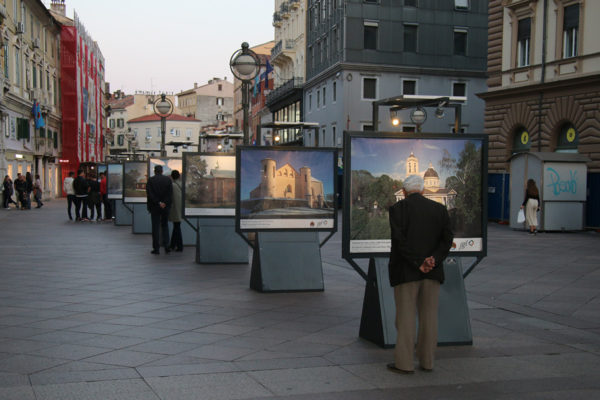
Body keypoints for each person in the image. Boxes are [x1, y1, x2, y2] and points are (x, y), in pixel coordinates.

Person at [387, 175, 454, 374]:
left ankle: (405, 364)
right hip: (432, 272)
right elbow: (447, 239)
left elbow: (400, 242)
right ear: (423, 190)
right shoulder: (439, 209)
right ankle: (427, 361)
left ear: (405, 191)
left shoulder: (397, 209)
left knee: (406, 319)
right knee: (429, 318)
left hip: (407, 272)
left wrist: (418, 262)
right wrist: (433, 259)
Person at [146, 165, 172, 254]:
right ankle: (167, 246)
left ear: (154, 171)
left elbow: (150, 194)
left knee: (155, 227)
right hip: (165, 207)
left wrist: (158, 202)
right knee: (165, 226)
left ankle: (156, 248)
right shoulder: (168, 180)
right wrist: (164, 202)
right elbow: (170, 194)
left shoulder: (151, 180)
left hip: (155, 207)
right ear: (162, 171)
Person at [168, 170, 183, 252]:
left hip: (175, 209)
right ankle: (173, 245)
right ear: (179, 176)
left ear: (172, 176)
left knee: (177, 227)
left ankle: (180, 246)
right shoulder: (181, 184)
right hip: (181, 208)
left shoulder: (172, 185)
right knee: (176, 226)